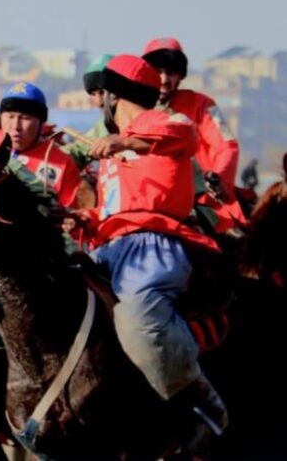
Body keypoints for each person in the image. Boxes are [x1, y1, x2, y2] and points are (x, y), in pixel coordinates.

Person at [80, 54, 227, 452]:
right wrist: (82, 218)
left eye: (102, 95)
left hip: (154, 246)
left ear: (115, 95)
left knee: (139, 314)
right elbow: (111, 208)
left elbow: (184, 135)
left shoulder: (167, 122)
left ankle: (201, 403)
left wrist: (126, 141)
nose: (99, 104)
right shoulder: (111, 154)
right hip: (106, 248)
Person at [143, 38, 246, 239]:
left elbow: (227, 146)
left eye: (171, 72)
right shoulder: (133, 108)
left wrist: (217, 179)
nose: (164, 79)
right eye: (158, 71)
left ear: (180, 76)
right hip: (146, 197)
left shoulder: (202, 105)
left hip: (201, 198)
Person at [0, 82, 81, 208]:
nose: (16, 126)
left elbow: (67, 215)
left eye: (25, 118)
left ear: (41, 122)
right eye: (10, 117)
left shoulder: (63, 164)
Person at [62, 53, 114, 169]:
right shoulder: (103, 126)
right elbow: (79, 149)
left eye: (102, 92)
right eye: (93, 94)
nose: (99, 102)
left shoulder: (146, 119)